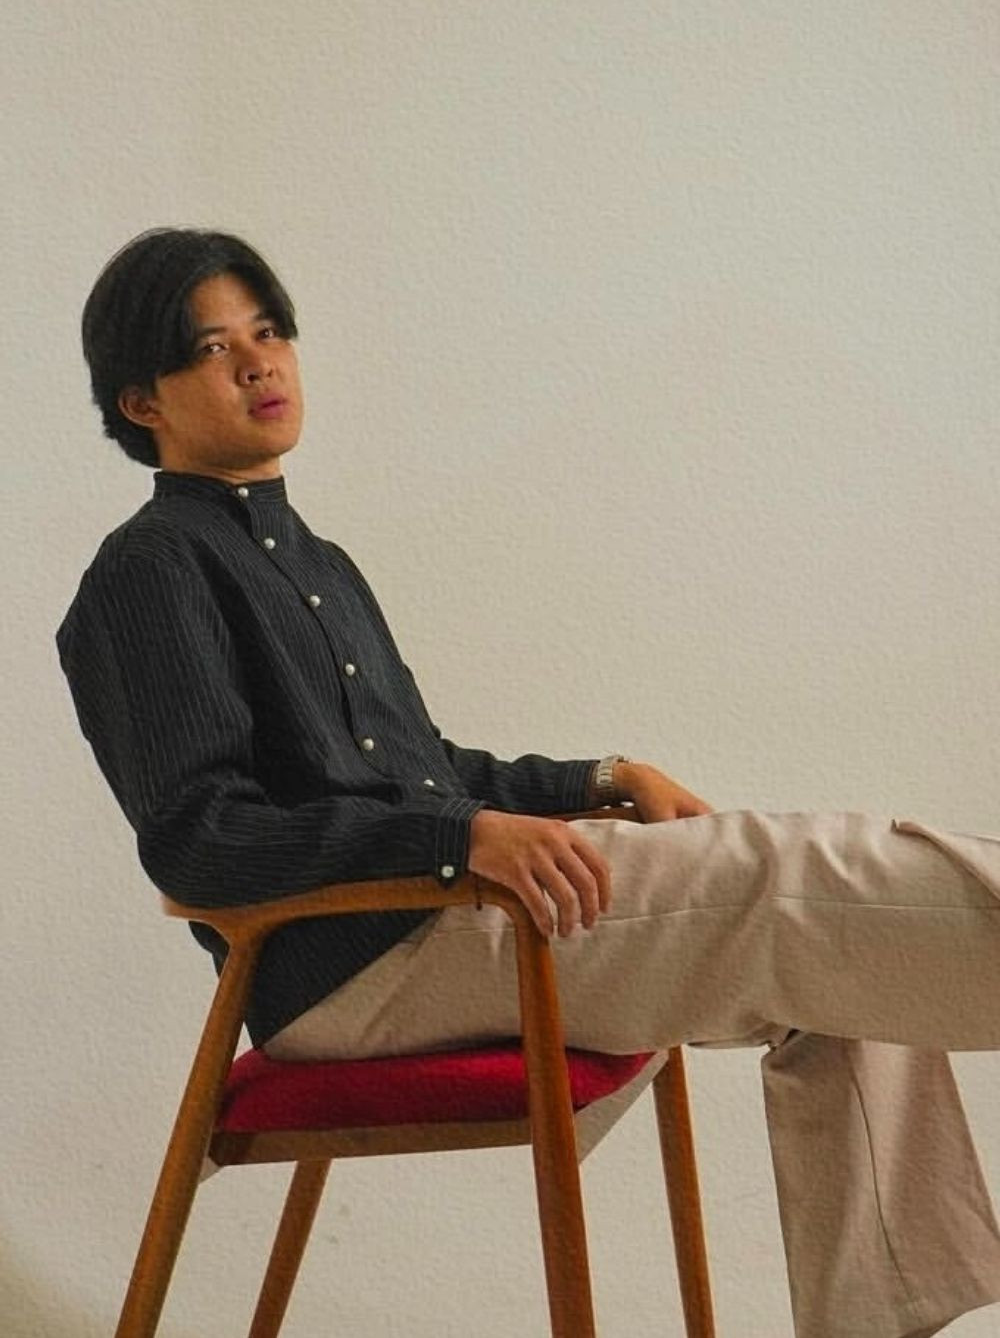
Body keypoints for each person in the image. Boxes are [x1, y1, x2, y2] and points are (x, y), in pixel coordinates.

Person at [58, 227, 1000, 1338]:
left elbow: (427, 772)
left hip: (443, 916)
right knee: (785, 875)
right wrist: (457, 841)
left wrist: (601, 776)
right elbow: (201, 837)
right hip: (360, 963)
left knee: (845, 961)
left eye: (269, 332)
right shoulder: (149, 571)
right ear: (142, 402)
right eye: (214, 348)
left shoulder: (316, 563)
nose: (259, 361)